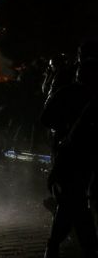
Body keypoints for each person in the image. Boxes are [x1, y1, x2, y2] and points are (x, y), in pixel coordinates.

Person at [42, 42, 98, 258]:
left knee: (72, 202)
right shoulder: (79, 93)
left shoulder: (68, 89)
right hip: (78, 153)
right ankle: (84, 245)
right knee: (75, 203)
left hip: (73, 152)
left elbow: (46, 118)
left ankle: (57, 245)